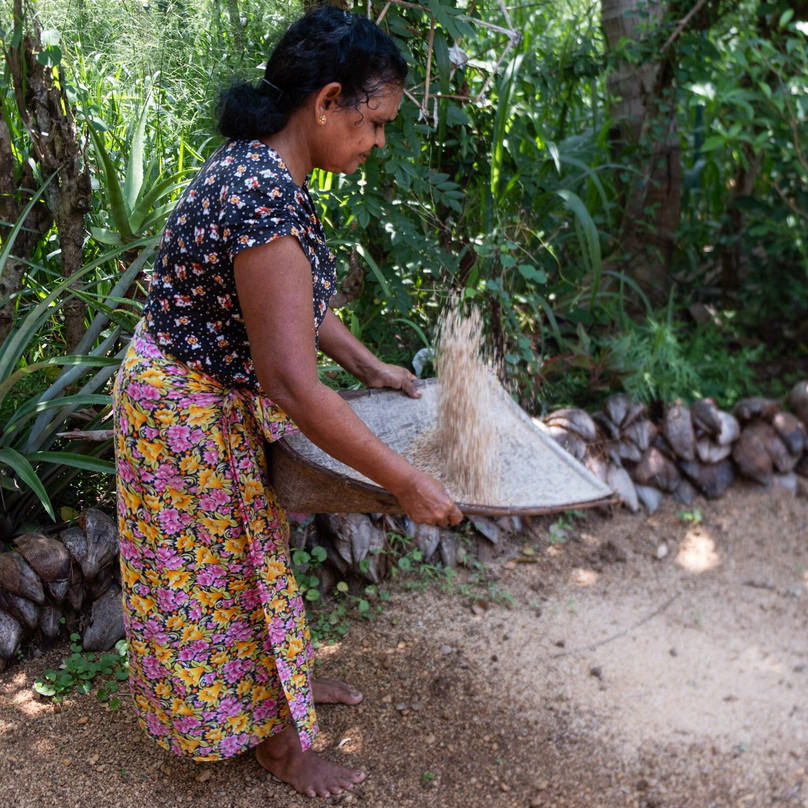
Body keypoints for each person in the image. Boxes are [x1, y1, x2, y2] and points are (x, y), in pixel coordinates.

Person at [112, 7, 463, 799]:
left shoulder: (263, 169)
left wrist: (369, 365)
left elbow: (290, 300)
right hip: (186, 416)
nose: (376, 144)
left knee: (250, 562)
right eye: (373, 124)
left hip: (197, 396)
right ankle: (278, 747)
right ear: (328, 100)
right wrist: (405, 482)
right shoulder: (263, 197)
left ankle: (282, 691)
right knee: (223, 577)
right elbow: (293, 385)